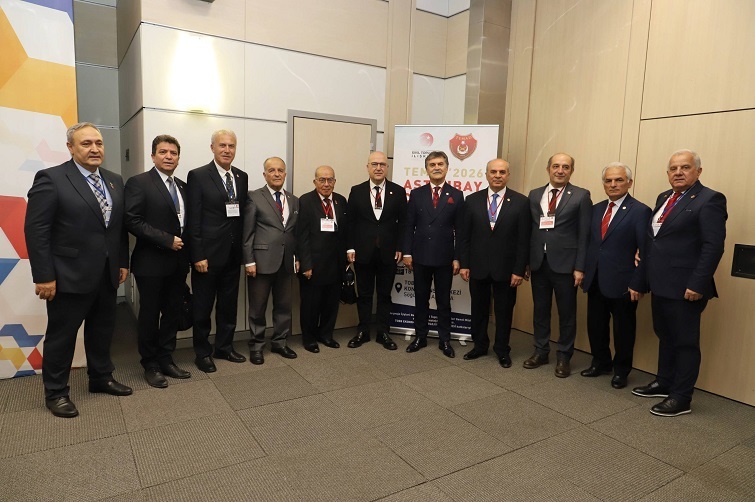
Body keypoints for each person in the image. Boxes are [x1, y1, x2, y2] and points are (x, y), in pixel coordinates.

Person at [25, 122, 132, 418]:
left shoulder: (114, 180)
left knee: (101, 331)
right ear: (70, 147)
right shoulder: (51, 179)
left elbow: (117, 227)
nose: (94, 148)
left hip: (107, 274)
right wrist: (44, 275)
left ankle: (101, 378)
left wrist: (122, 261)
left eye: (98, 143)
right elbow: (36, 231)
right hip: (68, 276)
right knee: (62, 337)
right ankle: (56, 393)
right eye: (86, 143)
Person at [632, 150, 726, 417]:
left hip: (687, 287)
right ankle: (664, 382)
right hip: (660, 283)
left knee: (685, 342)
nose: (678, 172)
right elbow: (654, 241)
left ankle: (681, 397)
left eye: (685, 167)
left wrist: (698, 283)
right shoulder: (664, 197)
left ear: (698, 171)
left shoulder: (710, 199)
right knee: (665, 336)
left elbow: (713, 246)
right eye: (673, 168)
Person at [125, 134, 192, 388]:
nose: (168, 157)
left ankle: (166, 358)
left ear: (178, 158)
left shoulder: (183, 187)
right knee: (150, 315)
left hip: (178, 262)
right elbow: (132, 220)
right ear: (153, 156)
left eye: (173, 153)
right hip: (151, 263)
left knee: (173, 312)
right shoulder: (139, 183)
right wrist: (166, 240)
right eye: (163, 152)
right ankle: (150, 364)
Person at [581, 163, 651, 389]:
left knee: (623, 331)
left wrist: (638, 282)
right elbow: (592, 244)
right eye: (608, 180)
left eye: (619, 180)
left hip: (624, 283)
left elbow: (645, 251)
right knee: (596, 326)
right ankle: (600, 363)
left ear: (629, 183)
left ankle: (621, 371)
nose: (613, 184)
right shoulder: (596, 209)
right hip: (595, 279)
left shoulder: (640, 211)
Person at [187, 130, 248, 373]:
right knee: (202, 308)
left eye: (231, 146)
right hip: (207, 257)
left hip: (232, 255)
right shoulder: (198, 176)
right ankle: (202, 353)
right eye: (222, 145)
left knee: (228, 306)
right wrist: (197, 254)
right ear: (212, 147)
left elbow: (239, 217)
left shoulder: (241, 177)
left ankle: (224, 347)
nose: (227, 150)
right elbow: (193, 219)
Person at [525, 153, 592, 377]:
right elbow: (530, 230)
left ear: (571, 170)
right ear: (548, 169)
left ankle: (564, 356)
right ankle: (541, 351)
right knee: (540, 311)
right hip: (539, 263)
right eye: (556, 166)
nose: (560, 170)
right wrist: (527, 261)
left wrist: (580, 267)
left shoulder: (581, 196)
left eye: (565, 167)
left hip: (566, 265)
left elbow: (584, 234)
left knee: (567, 314)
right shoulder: (535, 194)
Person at [459, 159, 530, 368]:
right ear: (486, 174)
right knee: (478, 310)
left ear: (508, 175)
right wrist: (464, 264)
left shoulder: (521, 202)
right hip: (478, 266)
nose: (497, 175)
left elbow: (524, 240)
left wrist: (519, 269)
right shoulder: (472, 200)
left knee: (504, 312)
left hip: (507, 270)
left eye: (502, 172)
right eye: (493, 172)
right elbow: (464, 237)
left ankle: (502, 349)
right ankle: (480, 346)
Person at [403, 151, 465, 358]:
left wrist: (457, 257)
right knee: (421, 299)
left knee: (443, 301)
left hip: (445, 257)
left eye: (440, 164)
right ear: (426, 169)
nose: (436, 167)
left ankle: (444, 339)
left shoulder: (456, 195)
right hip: (420, 256)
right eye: (432, 164)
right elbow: (408, 226)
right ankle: (420, 336)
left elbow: (460, 230)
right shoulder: (416, 194)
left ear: (447, 167)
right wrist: (407, 252)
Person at [345, 151, 406, 350]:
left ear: (387, 167)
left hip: (389, 252)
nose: (378, 168)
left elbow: (403, 223)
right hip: (363, 252)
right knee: (364, 295)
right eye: (374, 164)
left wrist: (400, 247)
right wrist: (350, 246)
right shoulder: (357, 191)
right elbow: (350, 222)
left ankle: (383, 332)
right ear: (368, 167)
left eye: (382, 164)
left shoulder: (398, 191)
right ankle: (363, 331)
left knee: (384, 295)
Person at [243, 157, 300, 364]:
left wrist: (296, 257)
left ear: (285, 174)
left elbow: (294, 233)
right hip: (261, 262)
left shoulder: (293, 200)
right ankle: (257, 346)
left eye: (280, 170)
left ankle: (279, 342)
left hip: (286, 262)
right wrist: (249, 261)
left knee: (283, 306)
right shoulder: (254, 197)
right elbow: (247, 232)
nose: (276, 174)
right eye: (272, 170)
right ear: (264, 174)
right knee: (258, 308)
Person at [296, 166, 348, 353]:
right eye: (322, 180)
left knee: (331, 303)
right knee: (311, 305)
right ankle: (309, 338)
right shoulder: (305, 201)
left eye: (330, 180)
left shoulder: (341, 200)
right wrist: (306, 264)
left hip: (335, 263)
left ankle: (326, 334)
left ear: (334, 181)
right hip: (313, 264)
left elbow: (345, 231)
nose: (326, 184)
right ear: (315, 182)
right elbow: (301, 235)